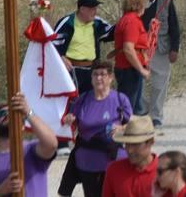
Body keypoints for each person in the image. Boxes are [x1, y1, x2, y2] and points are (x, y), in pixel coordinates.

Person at [57, 61, 132, 197]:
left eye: (103, 74)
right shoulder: (83, 100)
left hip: (114, 161)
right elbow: (71, 120)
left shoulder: (120, 99)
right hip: (88, 162)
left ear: (111, 77)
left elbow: (133, 125)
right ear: (91, 78)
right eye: (95, 74)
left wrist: (121, 128)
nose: (99, 78)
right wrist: (70, 119)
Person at [0, 94, 58, 197]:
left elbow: (52, 144)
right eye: (1, 114)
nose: (7, 116)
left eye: (13, 113)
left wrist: (27, 112)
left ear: (23, 126)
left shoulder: (32, 150)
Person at [137, 0, 180, 130]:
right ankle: (143, 109)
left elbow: (174, 24)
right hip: (141, 47)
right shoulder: (137, 0)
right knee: (137, 82)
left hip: (161, 47)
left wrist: (175, 48)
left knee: (159, 84)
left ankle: (156, 116)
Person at [52, 0, 116, 96]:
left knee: (91, 102)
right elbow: (52, 45)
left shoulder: (97, 22)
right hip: (72, 70)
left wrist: (127, 20)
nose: (95, 12)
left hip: (92, 70)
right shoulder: (67, 23)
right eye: (92, 9)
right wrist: (61, 58)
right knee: (73, 103)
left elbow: (112, 32)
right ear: (82, 9)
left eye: (95, 8)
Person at [112, 0, 150, 115]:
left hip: (127, 67)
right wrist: (141, 69)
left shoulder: (127, 19)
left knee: (134, 106)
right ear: (140, 5)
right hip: (129, 68)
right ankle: (123, 131)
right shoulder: (132, 21)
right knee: (127, 107)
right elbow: (128, 48)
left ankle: (134, 129)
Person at [100, 117, 157, 197]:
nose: (129, 150)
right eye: (126, 144)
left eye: (135, 144)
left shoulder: (166, 173)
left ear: (150, 142)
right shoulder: (113, 170)